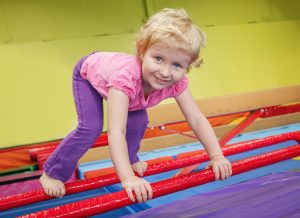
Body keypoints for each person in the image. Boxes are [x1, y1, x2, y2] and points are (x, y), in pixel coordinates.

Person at [40, 8, 232, 203]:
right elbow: (116, 131)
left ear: (188, 67)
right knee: (91, 127)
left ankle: (131, 159)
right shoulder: (126, 78)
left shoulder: (177, 83)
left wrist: (217, 156)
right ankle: (53, 173)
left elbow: (197, 119)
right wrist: (128, 179)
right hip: (89, 75)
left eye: (177, 65)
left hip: (129, 92)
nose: (165, 72)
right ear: (142, 52)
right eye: (158, 59)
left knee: (139, 121)